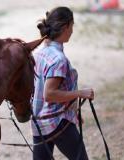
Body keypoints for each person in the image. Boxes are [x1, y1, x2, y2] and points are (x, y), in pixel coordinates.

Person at [30, 6, 93, 160]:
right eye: (72, 26)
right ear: (65, 27)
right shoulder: (58, 59)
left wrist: (73, 112)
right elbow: (50, 94)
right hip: (57, 122)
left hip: (39, 123)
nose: (72, 31)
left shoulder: (38, 54)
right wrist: (81, 93)